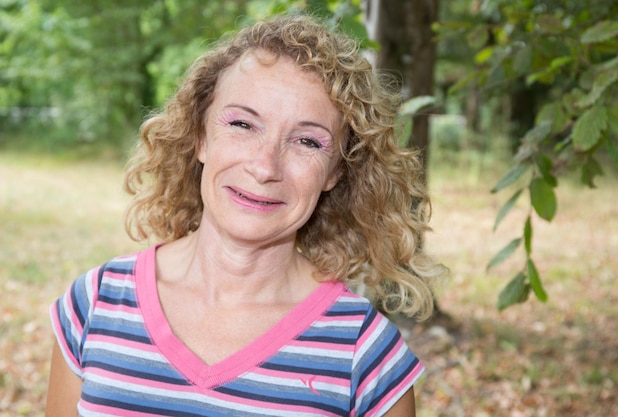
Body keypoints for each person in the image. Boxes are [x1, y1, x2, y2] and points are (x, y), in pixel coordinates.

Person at [46, 14, 446, 417]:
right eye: (242, 123)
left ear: (335, 173)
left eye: (307, 141)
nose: (265, 166)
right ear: (200, 135)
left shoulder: (365, 352)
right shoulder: (96, 305)